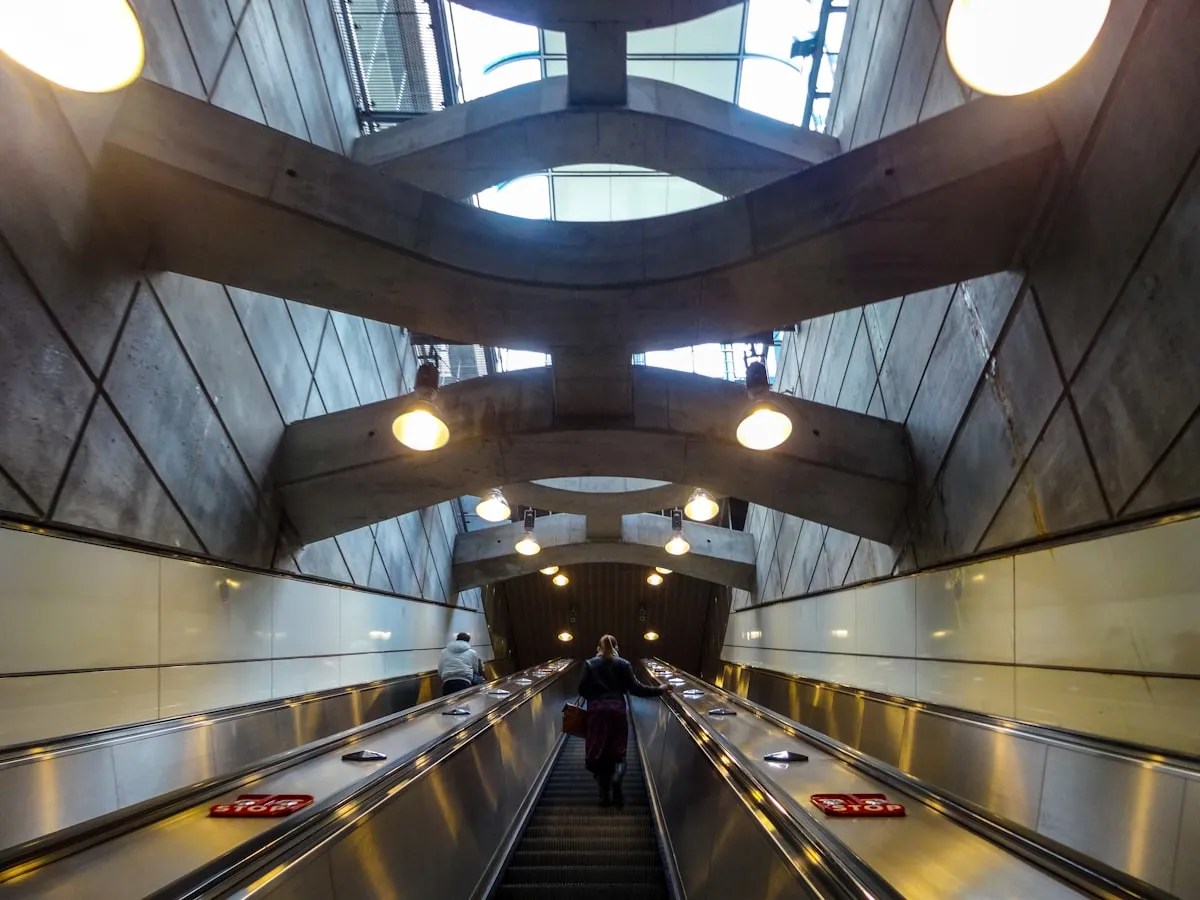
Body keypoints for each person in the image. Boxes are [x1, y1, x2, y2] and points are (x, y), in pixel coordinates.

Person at [578, 634, 672, 808]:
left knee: (598, 750)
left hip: (596, 712)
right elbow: (637, 689)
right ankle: (616, 781)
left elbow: (582, 690)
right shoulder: (623, 664)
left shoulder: (590, 664)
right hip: (617, 711)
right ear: (616, 647)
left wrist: (596, 696)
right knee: (617, 751)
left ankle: (604, 796)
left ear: (598, 647)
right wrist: (660, 689)